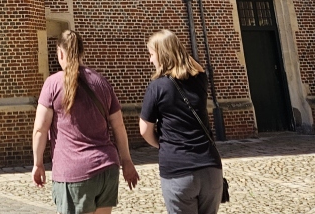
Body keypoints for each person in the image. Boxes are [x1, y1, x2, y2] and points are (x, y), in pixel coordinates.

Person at [32, 30, 139, 214]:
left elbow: (40, 129)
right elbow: (118, 126)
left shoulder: (53, 84)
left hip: (74, 171)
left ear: (60, 53)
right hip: (107, 168)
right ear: (82, 52)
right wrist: (127, 161)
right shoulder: (101, 82)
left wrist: (38, 163)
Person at [138, 30, 224, 214]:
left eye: (152, 54)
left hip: (178, 169)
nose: (150, 60)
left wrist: (161, 144)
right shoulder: (200, 80)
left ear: (162, 54)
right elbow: (197, 66)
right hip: (210, 167)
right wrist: (174, 46)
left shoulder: (157, 87)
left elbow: (144, 130)